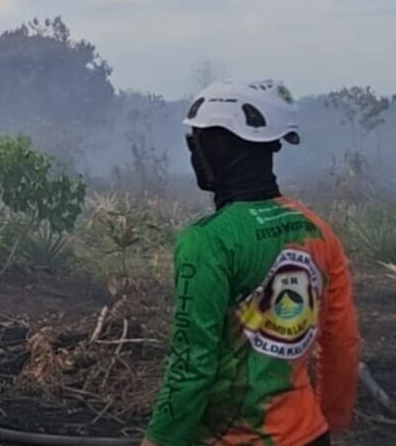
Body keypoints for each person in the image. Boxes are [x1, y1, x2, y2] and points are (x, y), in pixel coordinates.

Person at [143, 79, 360, 446]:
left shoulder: (207, 241)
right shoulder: (317, 231)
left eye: (198, 142)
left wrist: (160, 440)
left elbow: (191, 366)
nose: (195, 154)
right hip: (310, 434)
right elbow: (342, 342)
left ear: (222, 146)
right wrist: (332, 419)